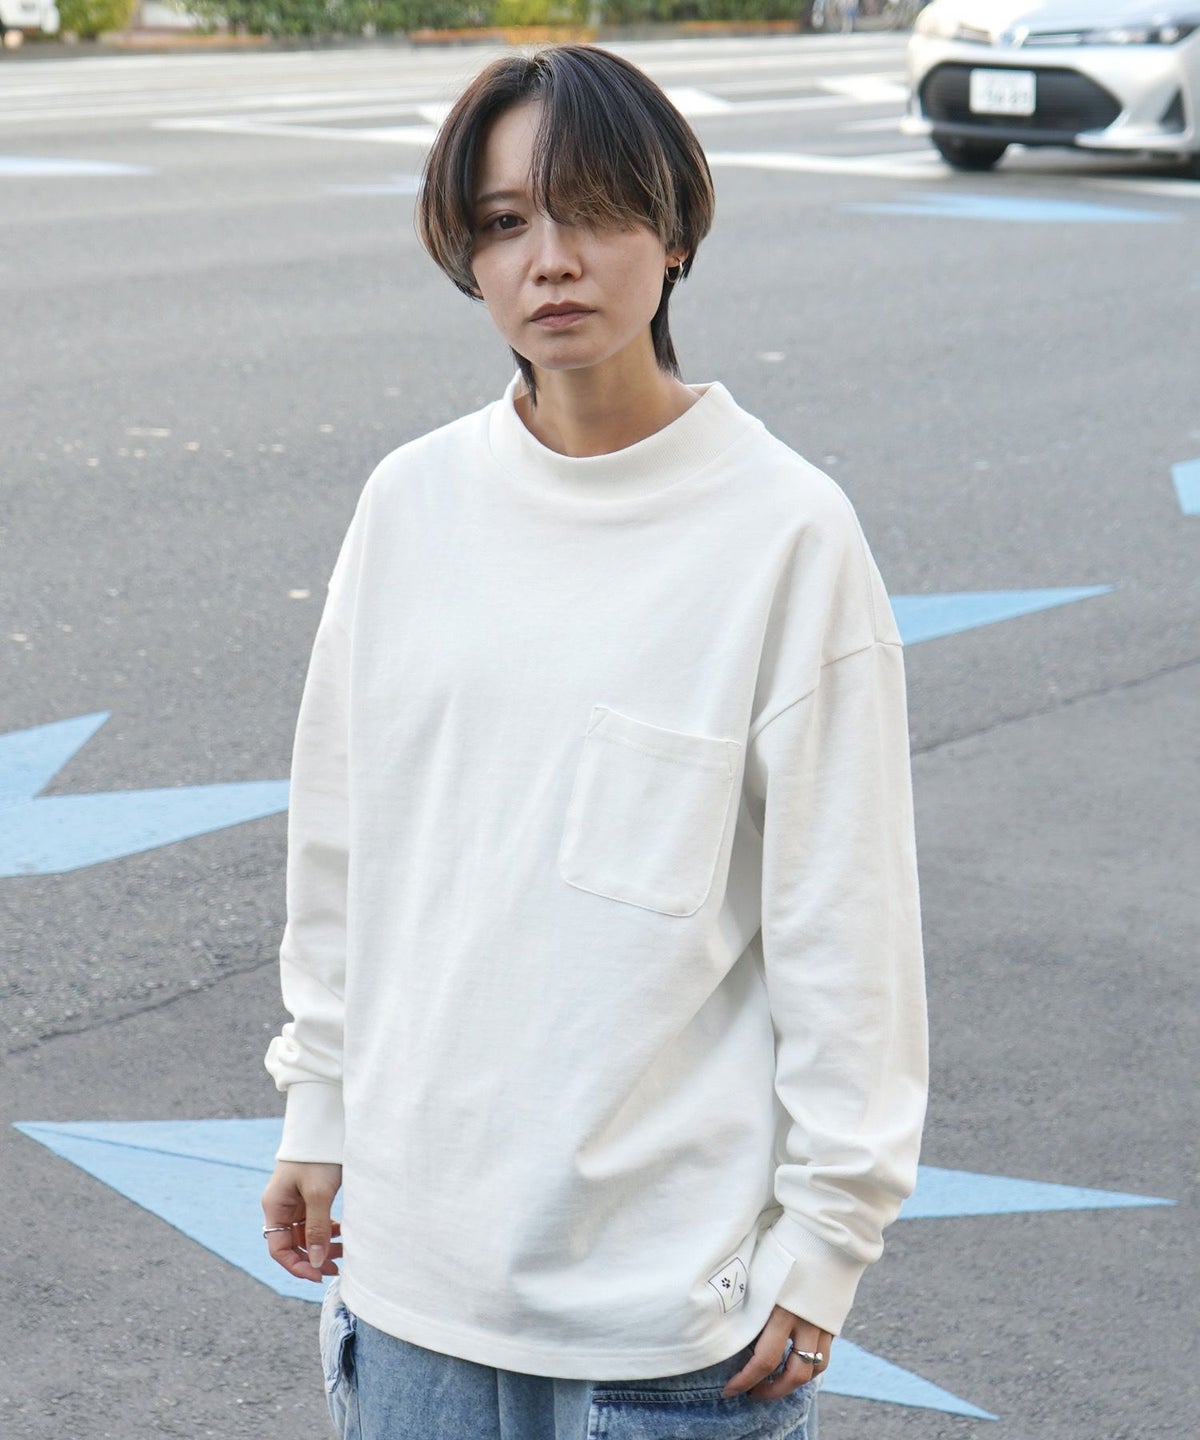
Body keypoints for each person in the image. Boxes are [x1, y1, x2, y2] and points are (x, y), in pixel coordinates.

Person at [260, 42, 927, 1440]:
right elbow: (340, 839)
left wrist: (830, 1238)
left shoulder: (785, 533)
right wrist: (317, 1103)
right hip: (412, 1283)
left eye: (594, 211)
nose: (549, 260)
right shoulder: (411, 504)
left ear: (675, 233)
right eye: (504, 222)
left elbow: (846, 919)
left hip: (671, 1322)